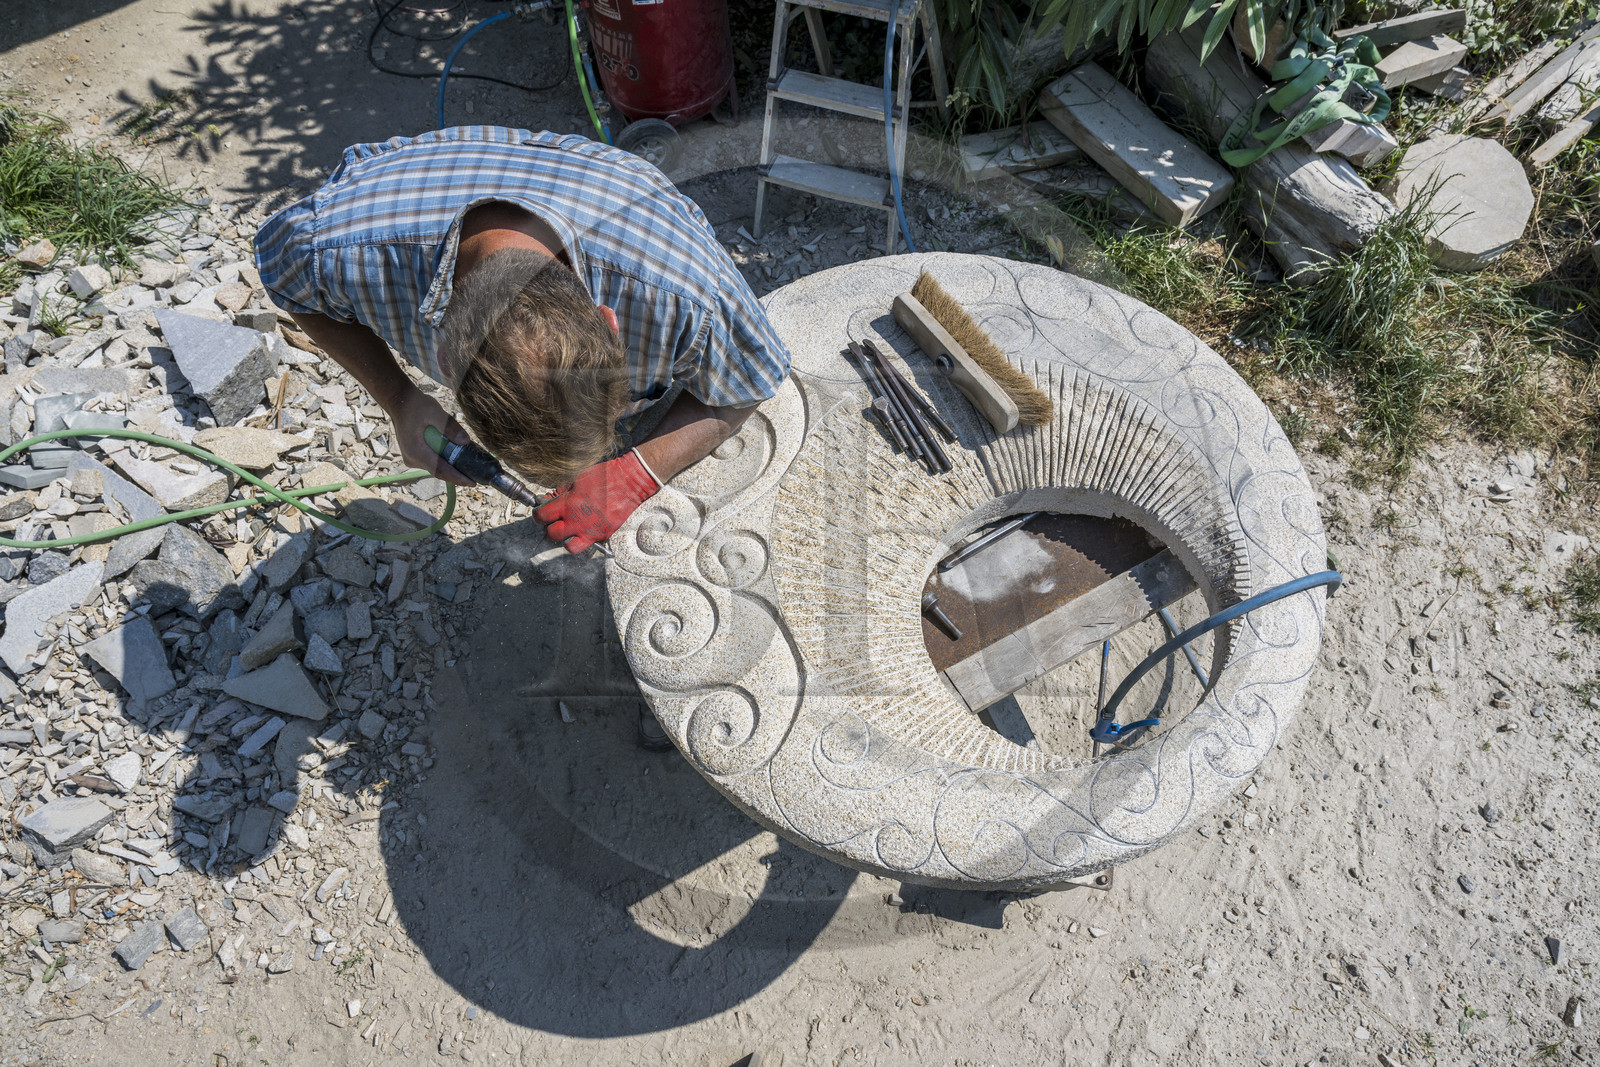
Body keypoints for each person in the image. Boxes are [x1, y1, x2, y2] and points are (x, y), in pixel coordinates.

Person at [254, 125, 792, 554]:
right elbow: (287, 284)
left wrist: (637, 473)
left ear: (610, 321)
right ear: (445, 358)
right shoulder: (329, 248)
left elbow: (756, 376)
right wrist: (400, 400)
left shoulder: (689, 292)